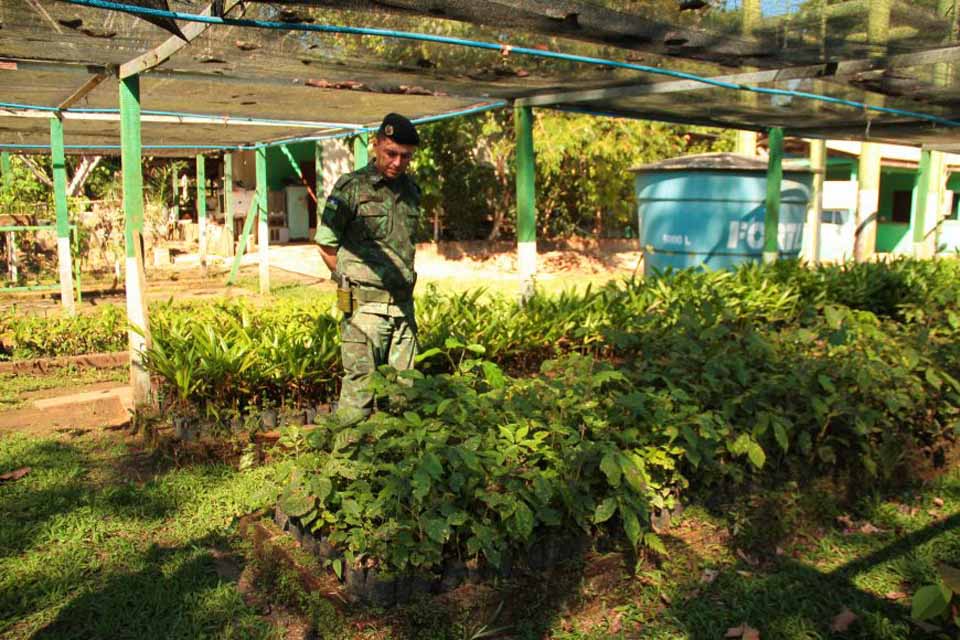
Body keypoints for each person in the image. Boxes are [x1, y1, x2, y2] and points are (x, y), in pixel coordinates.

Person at [315, 113, 421, 425]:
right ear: (375, 145)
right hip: (364, 312)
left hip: (404, 311)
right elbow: (325, 243)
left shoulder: (413, 192)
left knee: (404, 396)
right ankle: (345, 469)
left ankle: (393, 469)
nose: (398, 162)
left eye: (406, 156)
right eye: (391, 153)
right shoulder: (352, 188)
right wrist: (347, 281)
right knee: (359, 397)